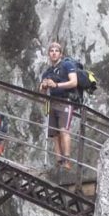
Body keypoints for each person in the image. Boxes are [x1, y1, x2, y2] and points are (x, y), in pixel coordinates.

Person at [39, 42, 78, 171]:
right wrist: (44, 86)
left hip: (65, 101)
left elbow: (74, 82)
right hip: (52, 102)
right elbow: (42, 93)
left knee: (63, 130)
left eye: (56, 51)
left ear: (61, 54)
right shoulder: (48, 72)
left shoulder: (67, 65)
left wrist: (56, 85)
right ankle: (59, 160)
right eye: (51, 51)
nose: (54, 53)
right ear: (49, 54)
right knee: (54, 134)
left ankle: (66, 160)